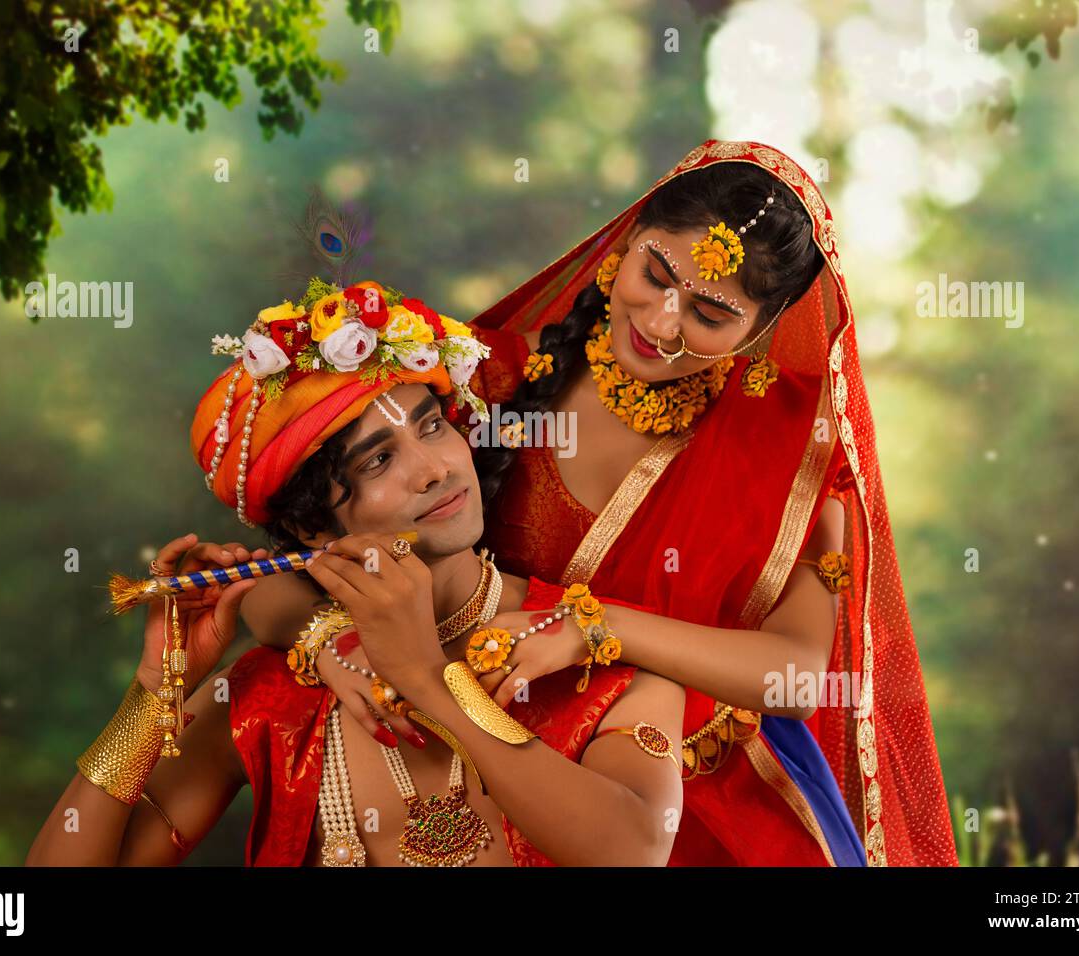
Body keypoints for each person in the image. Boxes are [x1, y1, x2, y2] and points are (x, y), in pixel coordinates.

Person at [243, 141, 957, 867]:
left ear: (762, 328)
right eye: (655, 274)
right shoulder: (492, 385)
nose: (664, 321)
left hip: (712, 808)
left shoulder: (793, 451)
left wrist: (596, 627)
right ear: (627, 239)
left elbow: (800, 678)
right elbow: (278, 580)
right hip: (510, 770)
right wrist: (331, 644)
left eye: (712, 312)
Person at [27, 279, 685, 867]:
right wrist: (152, 695)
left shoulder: (591, 652)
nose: (434, 469)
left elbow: (632, 850)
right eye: (377, 462)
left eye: (432, 427)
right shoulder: (272, 699)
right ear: (313, 528)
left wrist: (429, 681)